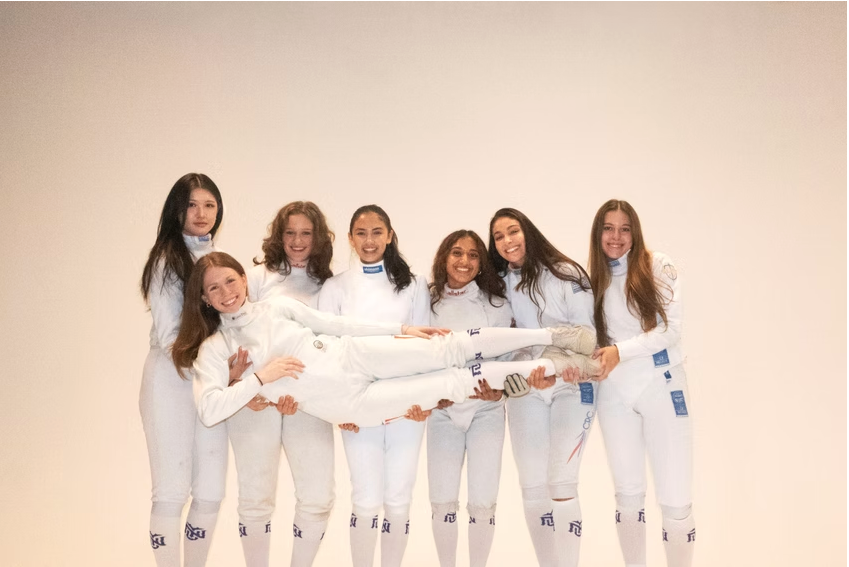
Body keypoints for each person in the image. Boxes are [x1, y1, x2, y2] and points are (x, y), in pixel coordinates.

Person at [316, 204, 431, 567]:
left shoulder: (413, 285)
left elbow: (426, 348)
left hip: (405, 405)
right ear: (351, 238)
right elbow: (326, 352)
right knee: (365, 498)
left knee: (398, 498)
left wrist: (423, 400)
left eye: (377, 232)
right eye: (362, 233)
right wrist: (340, 408)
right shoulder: (335, 288)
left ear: (390, 235)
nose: (369, 241)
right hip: (357, 405)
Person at [225, 202, 337, 566]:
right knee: (256, 498)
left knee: (318, 496)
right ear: (279, 235)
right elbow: (232, 331)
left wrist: (311, 396)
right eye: (290, 232)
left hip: (307, 401)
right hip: (257, 399)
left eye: (306, 233)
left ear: (318, 237)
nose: (297, 240)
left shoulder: (328, 284)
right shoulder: (256, 278)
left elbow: (334, 347)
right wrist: (243, 389)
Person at [488, 208, 599, 567]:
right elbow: (499, 344)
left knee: (561, 482)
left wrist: (553, 364)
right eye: (498, 236)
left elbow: (588, 343)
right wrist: (512, 377)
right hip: (527, 390)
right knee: (533, 488)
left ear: (528, 231)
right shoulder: (498, 284)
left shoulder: (567, 274)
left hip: (572, 382)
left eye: (513, 231)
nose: (507, 241)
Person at [588, 199, 695, 567]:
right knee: (628, 495)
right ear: (597, 233)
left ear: (635, 230)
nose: (616, 237)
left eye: (624, 228)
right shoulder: (594, 279)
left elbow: (671, 329)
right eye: (608, 228)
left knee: (676, 497)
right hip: (615, 394)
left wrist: (620, 350)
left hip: (661, 385)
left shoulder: (658, 265)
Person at [138, 173, 229, 567]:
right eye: (192, 204)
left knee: (210, 490)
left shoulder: (216, 260)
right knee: (172, 491)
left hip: (209, 384)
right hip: (171, 381)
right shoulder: (165, 260)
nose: (202, 213)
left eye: (209, 205)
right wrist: (215, 362)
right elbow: (171, 334)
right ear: (177, 209)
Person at [418, 229, 518, 567]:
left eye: (473, 255)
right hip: (443, 413)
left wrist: (500, 391)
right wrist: (433, 396)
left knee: (483, 500)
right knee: (442, 500)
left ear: (482, 262)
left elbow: (509, 359)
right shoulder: (428, 303)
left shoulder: (496, 305)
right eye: (457, 253)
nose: (464, 261)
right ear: (444, 257)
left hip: (485, 411)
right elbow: (415, 358)